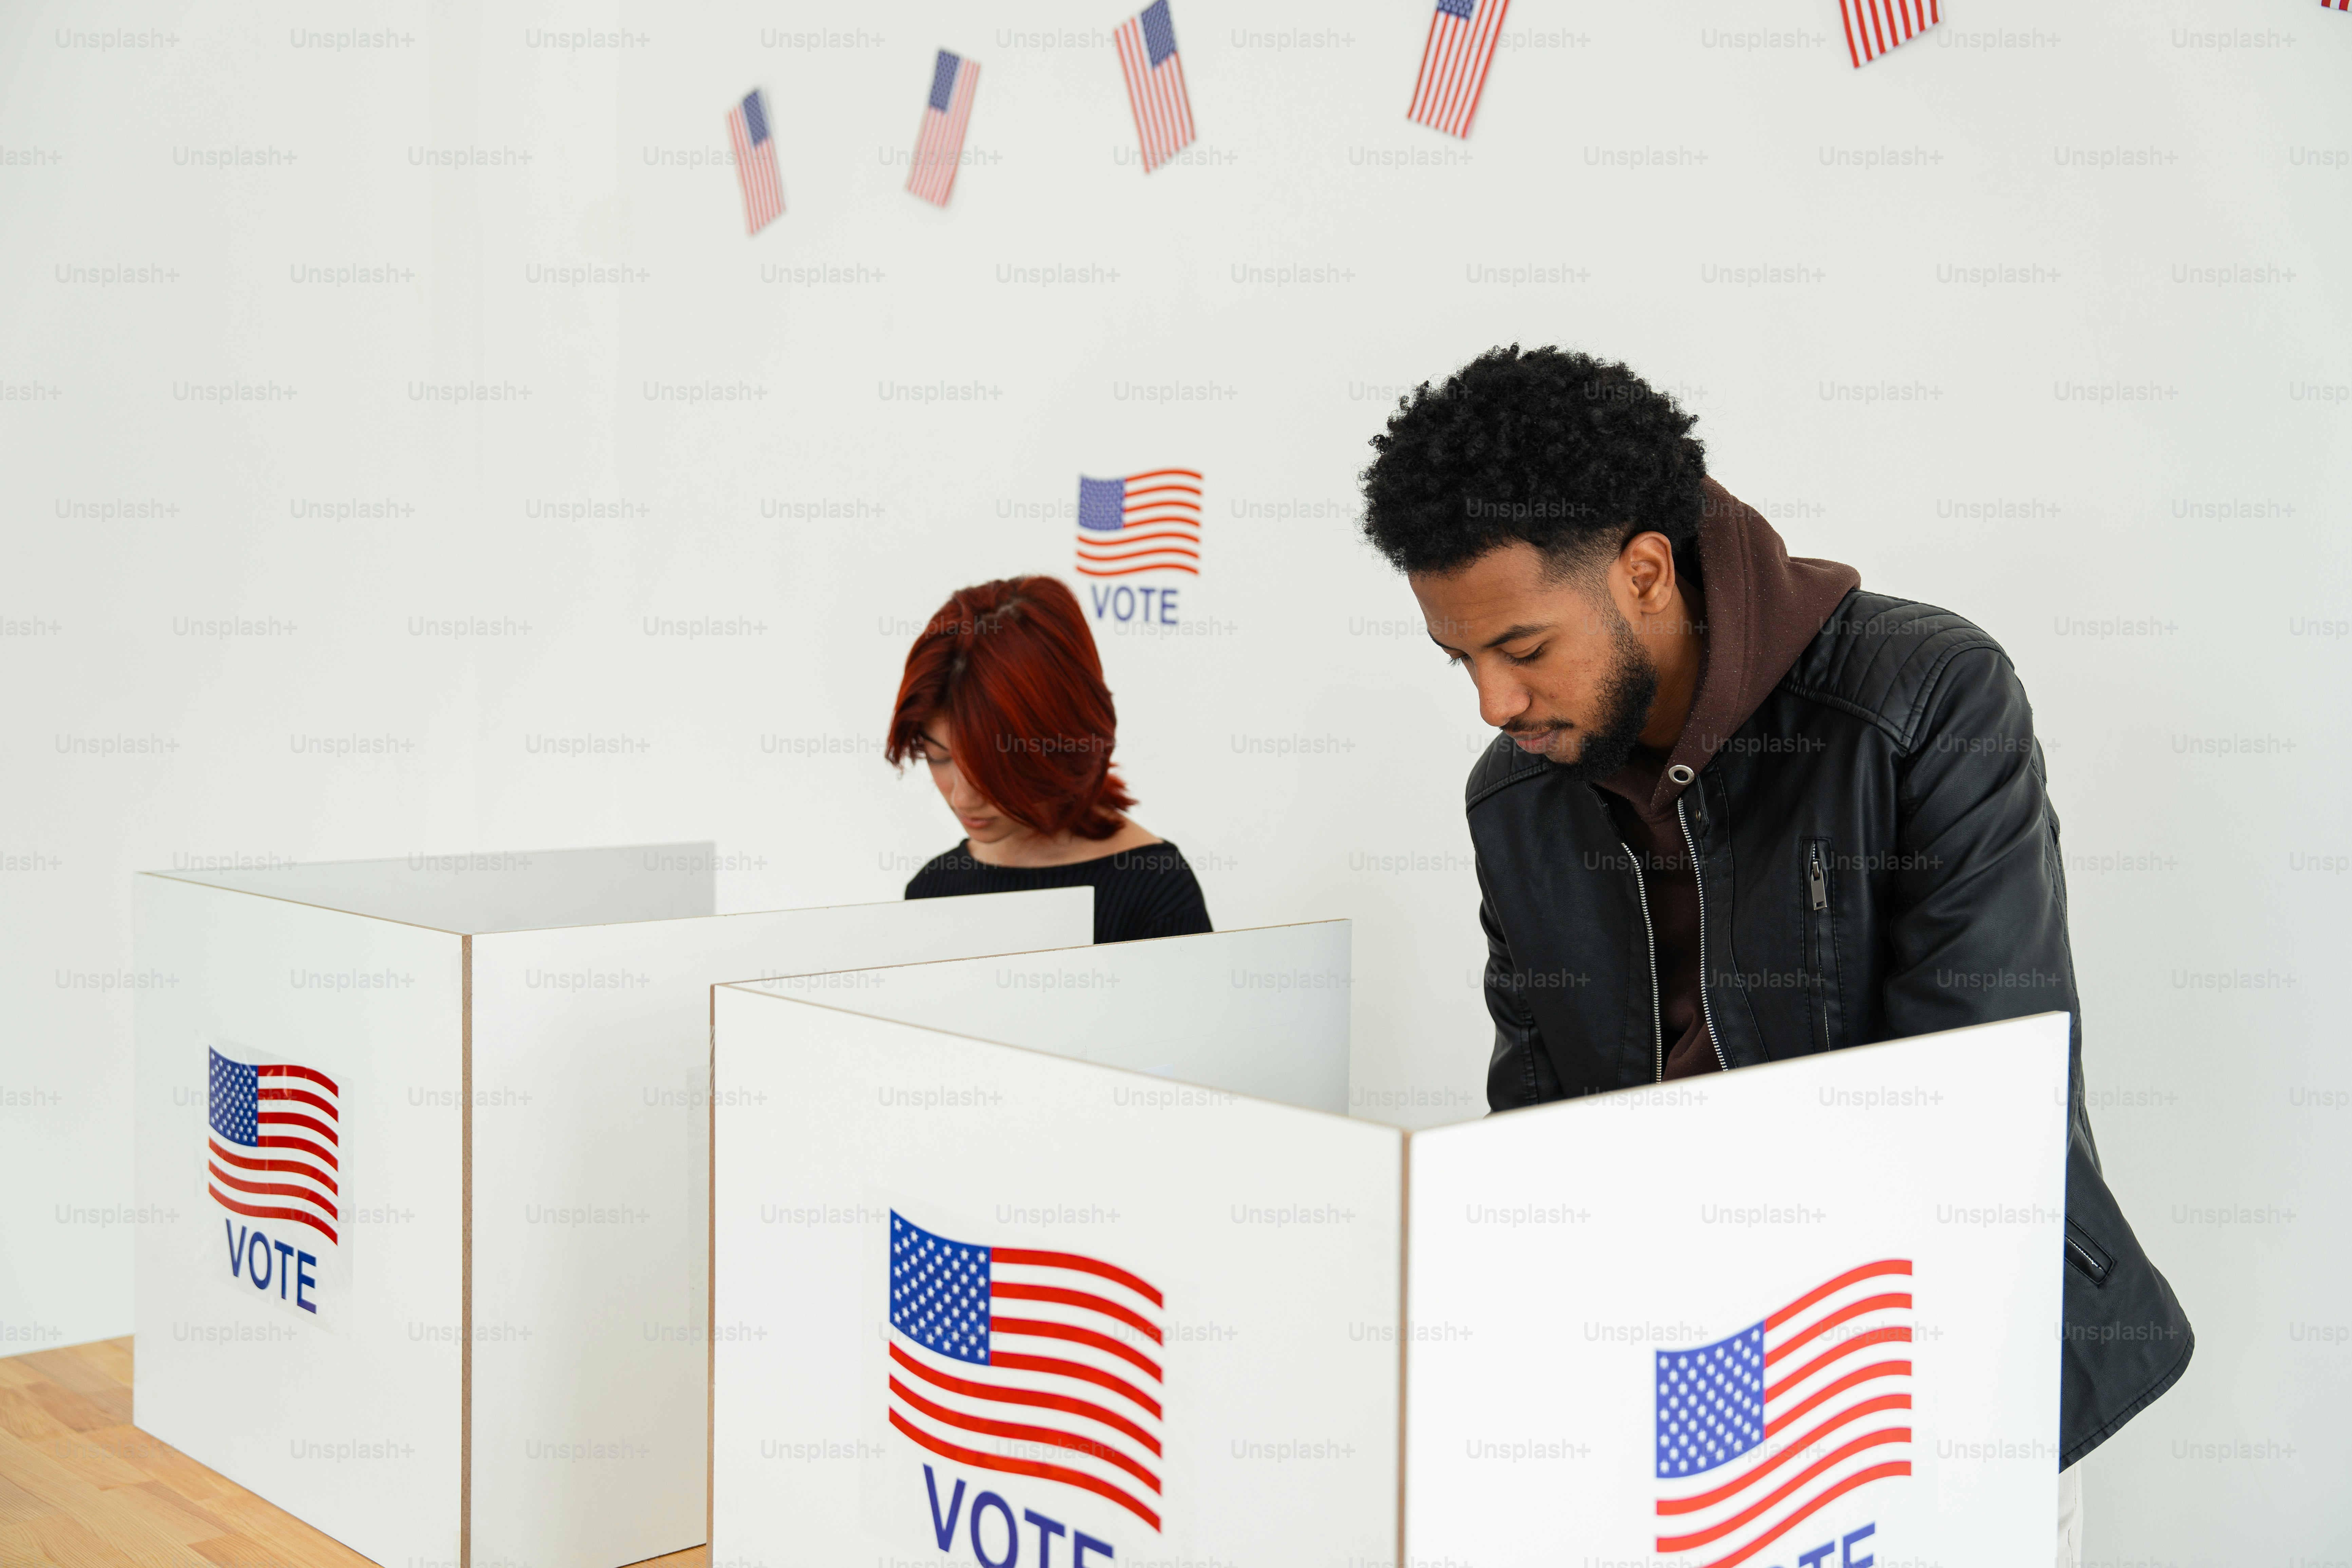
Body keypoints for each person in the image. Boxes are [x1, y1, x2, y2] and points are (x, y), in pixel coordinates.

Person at [1358, 345, 2189, 1567]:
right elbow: (1536, 1132)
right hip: (1676, 1398)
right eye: (1462, 661)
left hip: (1935, 1379)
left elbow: (1975, 1111)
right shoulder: (1515, 800)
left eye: (1524, 650)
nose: (1492, 703)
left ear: (1645, 571)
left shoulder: (1922, 700)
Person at [886, 575, 1212, 945]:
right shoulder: (933, 890)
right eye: (937, 756)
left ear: (1062, 741)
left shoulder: (1155, 892)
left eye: (989, 768)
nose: (962, 798)